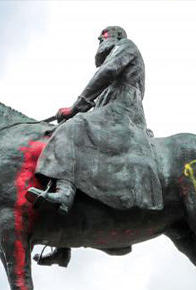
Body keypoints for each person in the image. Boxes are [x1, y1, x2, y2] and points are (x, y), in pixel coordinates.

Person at [29, 26, 162, 267]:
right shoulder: (117, 53)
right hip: (109, 110)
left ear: (118, 36)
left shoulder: (126, 47)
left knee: (70, 129)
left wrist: (76, 107)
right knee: (71, 140)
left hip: (122, 112)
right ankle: (63, 246)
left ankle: (65, 193)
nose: (100, 39)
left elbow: (106, 73)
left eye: (105, 35)